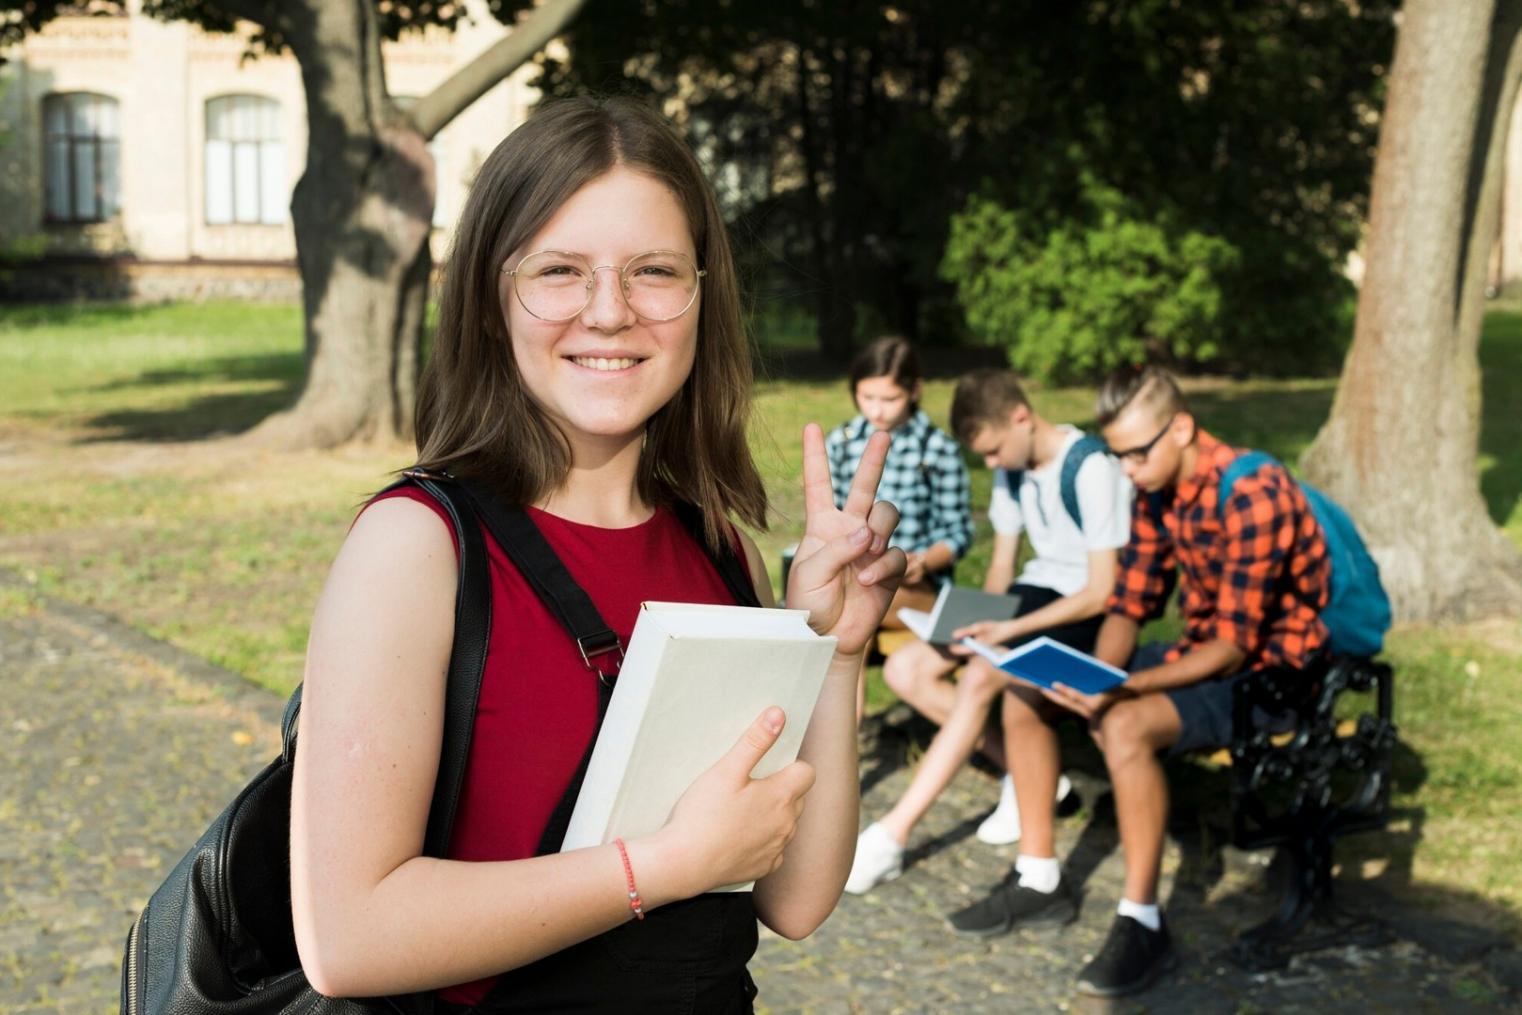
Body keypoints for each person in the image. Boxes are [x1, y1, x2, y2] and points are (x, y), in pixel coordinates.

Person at [287, 97, 907, 1012]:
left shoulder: (718, 547)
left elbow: (796, 899)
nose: (610, 312)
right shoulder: (416, 547)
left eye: (654, 271)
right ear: (494, 302)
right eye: (560, 270)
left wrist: (837, 650)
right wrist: (659, 866)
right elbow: (347, 937)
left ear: (702, 297)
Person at [948, 366, 1331, 1000]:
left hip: (1275, 676)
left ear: (1181, 429)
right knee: (1027, 687)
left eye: (1135, 454)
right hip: (1204, 653)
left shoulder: (1253, 491)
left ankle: (1143, 921)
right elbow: (1129, 603)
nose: (1125, 470)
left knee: (1121, 721)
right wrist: (1096, 674)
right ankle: (1040, 876)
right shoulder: (1158, 491)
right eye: (1118, 455)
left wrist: (1117, 690)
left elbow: (1233, 648)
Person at [846, 369, 1132, 894]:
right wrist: (969, 618)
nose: (994, 464)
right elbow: (1003, 566)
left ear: (1021, 417)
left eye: (997, 451)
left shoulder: (1090, 467)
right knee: (910, 669)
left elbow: (1100, 591)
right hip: (1027, 599)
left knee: (980, 676)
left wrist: (1005, 629)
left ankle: (892, 834)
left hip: (1078, 611)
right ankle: (1026, 781)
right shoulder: (1014, 468)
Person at [824, 336, 974, 718]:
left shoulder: (937, 449)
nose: (877, 409)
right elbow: (831, 517)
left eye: (889, 399)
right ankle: (843, 737)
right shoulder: (840, 443)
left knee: (855, 605)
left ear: (914, 391)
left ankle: (843, 738)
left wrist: (924, 560)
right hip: (856, 574)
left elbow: (959, 532)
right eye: (867, 397)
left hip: (918, 586)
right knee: (856, 598)